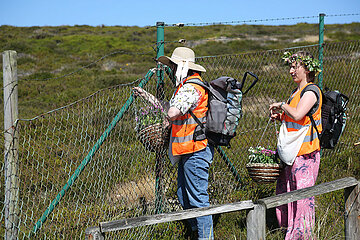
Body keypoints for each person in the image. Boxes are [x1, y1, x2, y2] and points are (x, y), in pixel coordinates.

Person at [134, 47, 214, 240]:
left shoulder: (191, 87)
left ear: (181, 66)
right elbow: (172, 108)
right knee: (183, 195)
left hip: (195, 150)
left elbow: (172, 112)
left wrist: (162, 109)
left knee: (198, 200)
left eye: (172, 65)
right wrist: (147, 96)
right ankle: (196, 233)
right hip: (188, 150)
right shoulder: (187, 86)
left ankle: (205, 237)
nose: (170, 68)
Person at [269, 51, 323, 240]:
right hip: (293, 153)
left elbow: (299, 114)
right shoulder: (296, 92)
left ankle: (302, 236)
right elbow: (296, 118)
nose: (291, 71)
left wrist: (282, 105)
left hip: (306, 154)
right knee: (288, 193)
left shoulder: (311, 91)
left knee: (302, 197)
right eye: (290, 67)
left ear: (307, 69)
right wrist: (281, 116)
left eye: (295, 67)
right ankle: (288, 231)